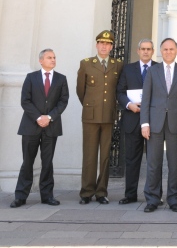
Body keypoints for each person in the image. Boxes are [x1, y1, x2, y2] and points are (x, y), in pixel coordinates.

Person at [10, 49, 69, 208]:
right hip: (31, 126)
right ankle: (21, 196)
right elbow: (25, 101)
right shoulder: (31, 78)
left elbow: (63, 101)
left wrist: (49, 117)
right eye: (49, 57)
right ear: (41, 60)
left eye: (54, 57)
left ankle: (47, 196)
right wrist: (38, 117)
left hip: (51, 126)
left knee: (47, 162)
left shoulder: (61, 79)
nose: (53, 60)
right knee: (27, 162)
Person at [140, 38, 177, 213]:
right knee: (153, 164)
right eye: (165, 49)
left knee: (175, 164)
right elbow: (145, 99)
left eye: (171, 49)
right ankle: (152, 199)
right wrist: (144, 123)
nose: (168, 52)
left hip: (176, 124)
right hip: (154, 124)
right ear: (160, 51)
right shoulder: (152, 71)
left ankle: (174, 199)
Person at [76, 30, 123, 204]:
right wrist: (90, 106)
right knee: (89, 155)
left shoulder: (118, 64)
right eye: (101, 43)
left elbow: (118, 89)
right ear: (97, 45)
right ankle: (86, 192)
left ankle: (101, 192)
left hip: (108, 115)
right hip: (90, 115)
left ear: (111, 47)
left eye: (108, 44)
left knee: (104, 155)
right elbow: (81, 91)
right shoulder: (86, 64)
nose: (104, 46)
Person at [116, 39, 156, 204]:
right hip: (132, 119)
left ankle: (154, 195)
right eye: (143, 49)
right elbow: (119, 92)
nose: (146, 52)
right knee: (132, 159)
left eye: (149, 49)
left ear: (152, 51)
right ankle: (130, 194)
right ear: (138, 51)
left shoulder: (159, 68)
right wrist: (128, 104)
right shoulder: (127, 69)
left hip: (154, 121)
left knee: (154, 161)